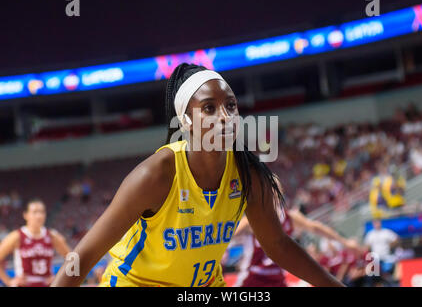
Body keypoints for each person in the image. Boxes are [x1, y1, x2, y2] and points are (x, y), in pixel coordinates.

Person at [51, 63, 343, 287]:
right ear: (186, 121)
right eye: (209, 108)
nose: (225, 117)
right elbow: (84, 256)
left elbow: (277, 244)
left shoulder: (248, 173)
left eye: (230, 106)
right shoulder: (155, 175)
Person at [230, 176, 360, 287]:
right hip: (253, 277)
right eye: (268, 189)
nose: (272, 192)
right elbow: (227, 234)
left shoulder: (289, 217)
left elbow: (315, 227)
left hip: (278, 278)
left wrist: (345, 242)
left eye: (275, 188)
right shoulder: (252, 219)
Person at [0, 199, 71, 287]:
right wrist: (9, 281)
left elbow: (72, 258)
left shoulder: (53, 236)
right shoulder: (17, 236)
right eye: (35, 212)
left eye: (42, 212)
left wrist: (59, 277)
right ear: (26, 215)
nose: (39, 216)